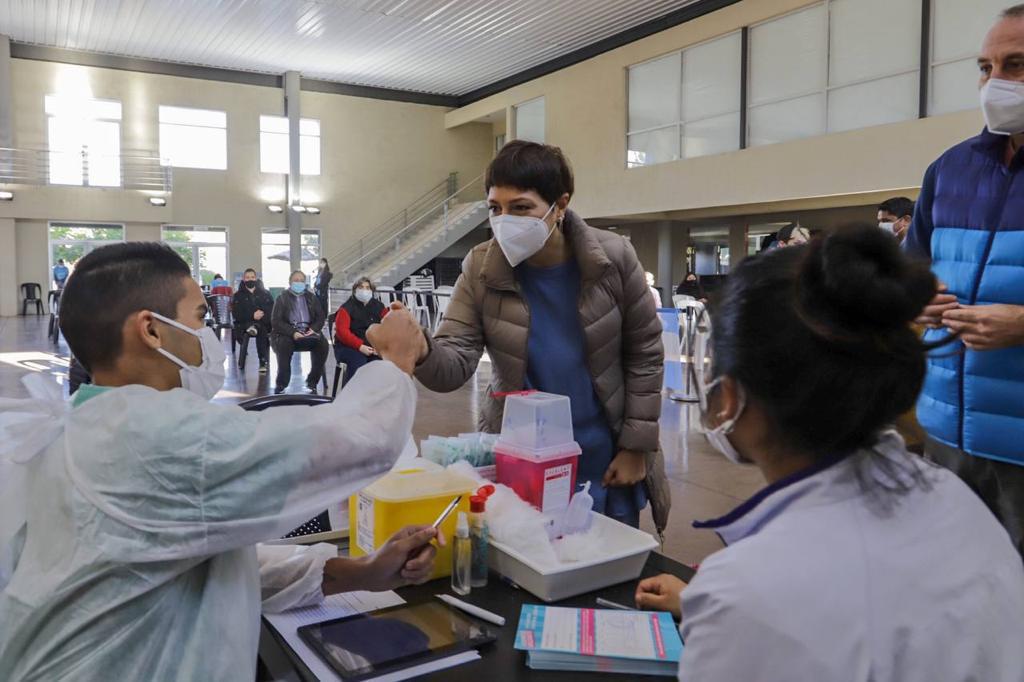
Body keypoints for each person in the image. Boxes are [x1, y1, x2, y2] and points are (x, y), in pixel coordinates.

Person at [0, 242, 439, 681]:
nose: (207, 335)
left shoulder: (89, 422)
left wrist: (358, 572)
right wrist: (397, 358)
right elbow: (356, 440)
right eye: (199, 319)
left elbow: (204, 558)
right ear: (151, 330)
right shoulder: (148, 437)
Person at [634, 226, 1024, 681]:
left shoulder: (748, 594)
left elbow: (794, 606)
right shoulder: (955, 503)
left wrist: (728, 607)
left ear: (731, 397)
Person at [413, 140, 669, 533]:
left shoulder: (614, 258)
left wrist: (637, 446)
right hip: (522, 459)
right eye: (494, 208)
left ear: (560, 205)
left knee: (604, 573)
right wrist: (420, 348)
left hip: (606, 456)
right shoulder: (482, 265)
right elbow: (455, 360)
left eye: (521, 208)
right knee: (526, 569)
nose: (504, 220)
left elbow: (646, 354)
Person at [905, 4, 1024, 556]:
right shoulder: (949, 170)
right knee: (949, 592)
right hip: (947, 434)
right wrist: (917, 300)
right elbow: (911, 273)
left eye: (1016, 64)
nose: (995, 81)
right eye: (985, 66)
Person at [271, 270, 329, 394]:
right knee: (284, 345)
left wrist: (313, 329)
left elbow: (321, 317)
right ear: (290, 282)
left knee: (323, 345)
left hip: (308, 333)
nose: (299, 283)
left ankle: (312, 382)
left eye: (301, 281)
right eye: (296, 280)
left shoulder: (312, 297)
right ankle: (282, 384)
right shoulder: (282, 298)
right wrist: (292, 332)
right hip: (288, 335)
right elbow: (276, 321)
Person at [335, 277, 389, 384]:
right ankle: (351, 396)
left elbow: (388, 326)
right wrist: (360, 346)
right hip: (348, 347)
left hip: (373, 347)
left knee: (383, 365)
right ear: (355, 290)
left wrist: (380, 346)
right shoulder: (346, 308)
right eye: (361, 287)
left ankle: (375, 396)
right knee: (358, 362)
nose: (365, 290)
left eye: (367, 288)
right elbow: (342, 333)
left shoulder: (379, 306)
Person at [233, 268, 273, 373]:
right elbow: (236, 314)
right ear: (243, 279)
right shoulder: (238, 295)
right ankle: (262, 361)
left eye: (252, 277)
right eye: (247, 277)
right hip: (244, 324)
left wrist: (260, 315)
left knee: (261, 328)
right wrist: (252, 315)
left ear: (256, 278)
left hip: (263, 322)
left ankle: (254, 327)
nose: (250, 279)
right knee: (259, 328)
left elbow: (271, 309)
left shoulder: (266, 293)